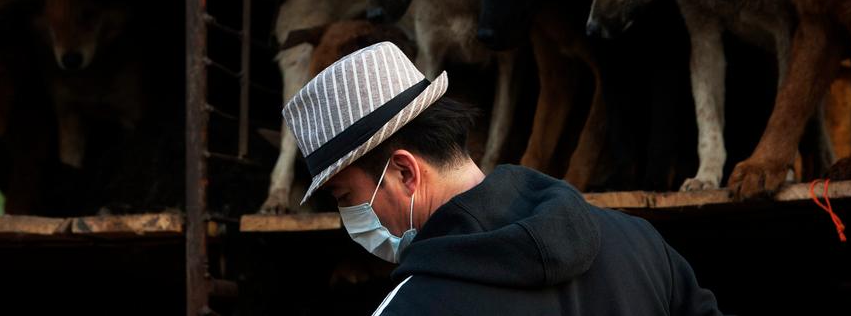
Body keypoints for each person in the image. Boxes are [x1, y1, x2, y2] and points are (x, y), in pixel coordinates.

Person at [283, 41, 724, 315]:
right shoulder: (639, 243)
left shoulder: (415, 306)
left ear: (404, 171)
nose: (349, 217)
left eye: (345, 196)